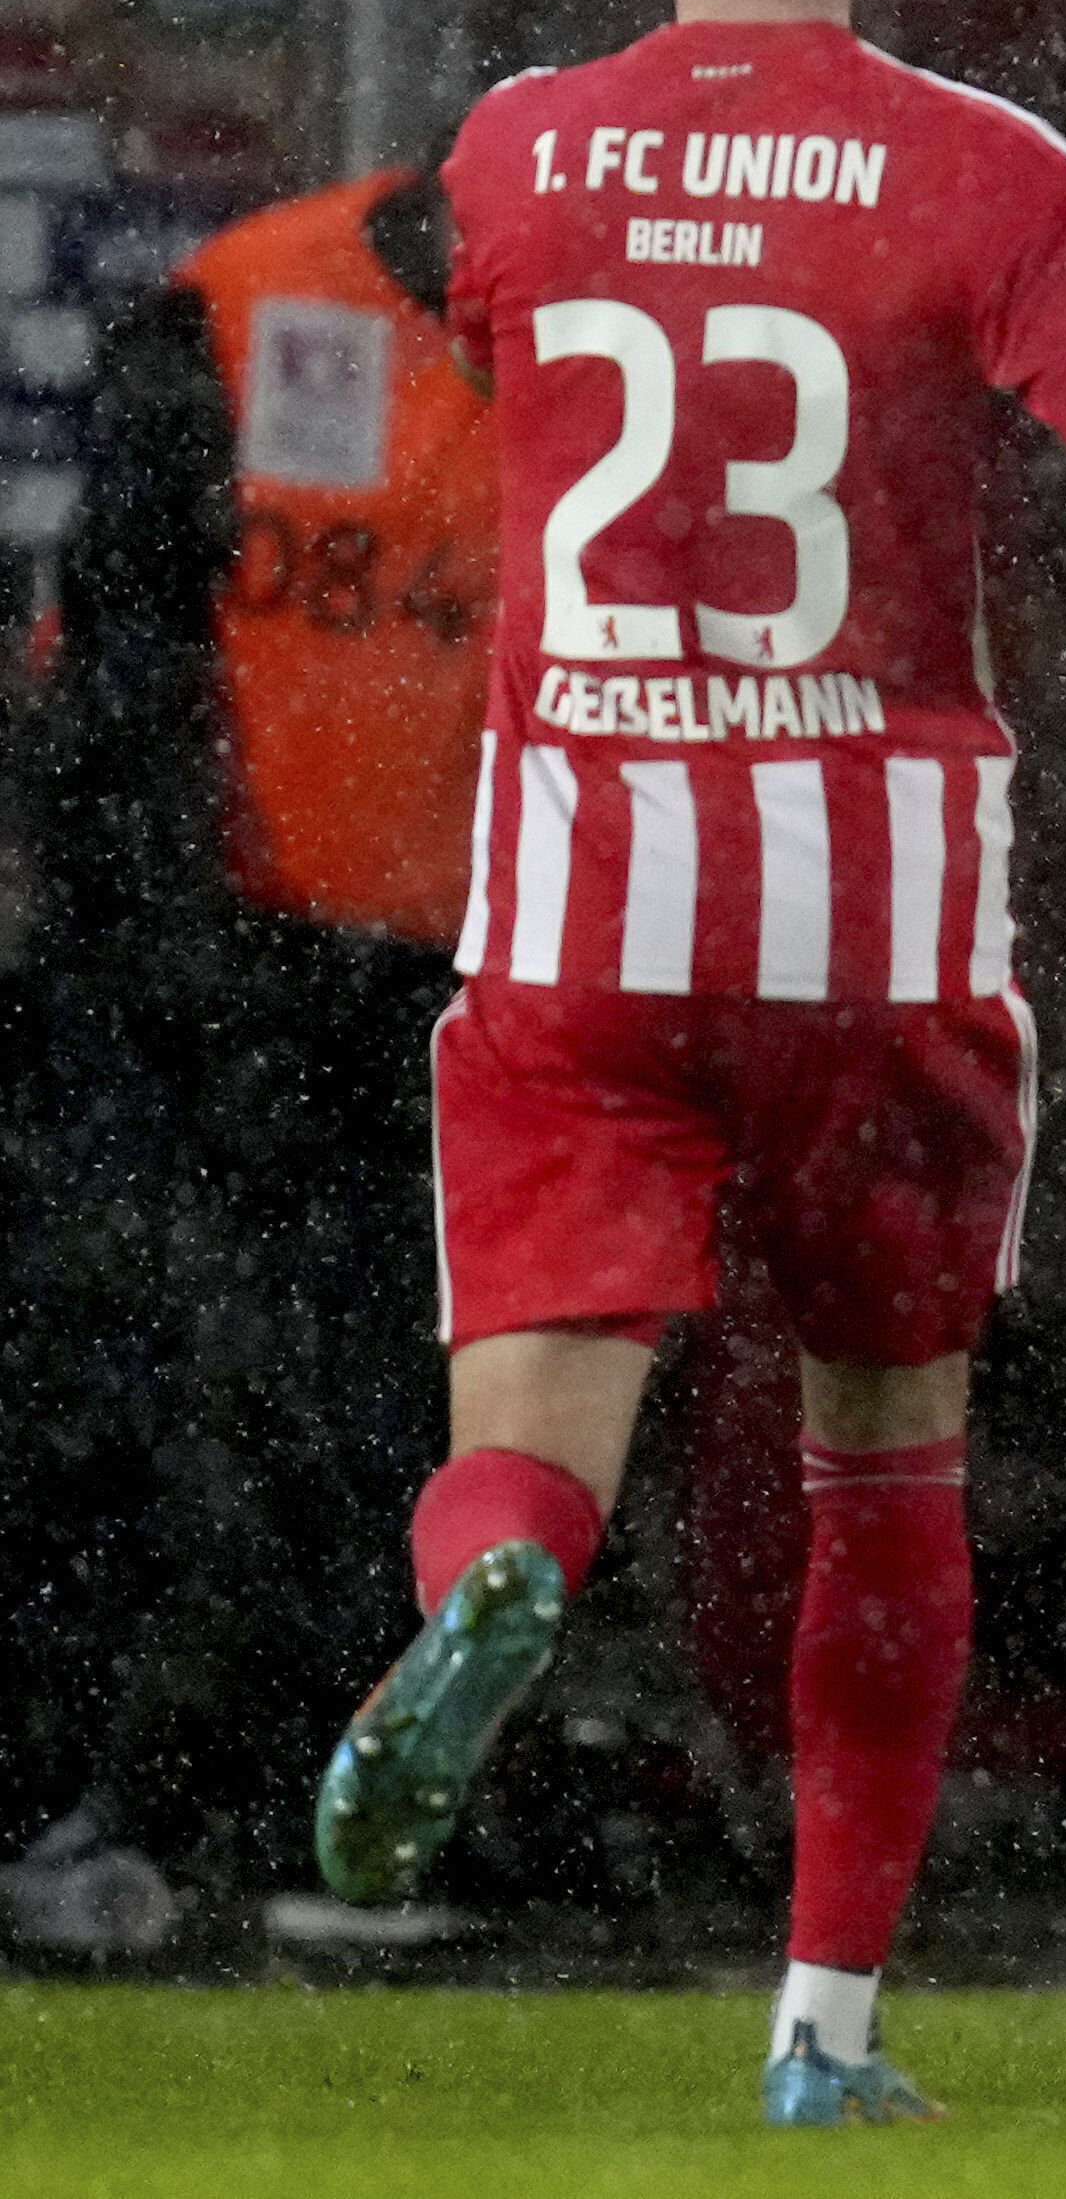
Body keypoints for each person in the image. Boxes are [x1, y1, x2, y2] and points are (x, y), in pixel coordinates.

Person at [307, 0, 1066, 2126]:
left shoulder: (518, 150)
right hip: (874, 913)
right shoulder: (983, 167)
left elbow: (509, 320)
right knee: (879, 1453)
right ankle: (825, 2025)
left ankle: (495, 1582)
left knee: (529, 1408)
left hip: (582, 893)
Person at [9, 154, 488, 1934]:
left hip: (442, 1001)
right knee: (94, 1382)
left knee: (387, 1416)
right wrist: (168, 955)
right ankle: (59, 1799)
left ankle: (336, 1828)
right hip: (187, 972)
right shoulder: (245, 305)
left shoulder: (632, 347)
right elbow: (118, 665)